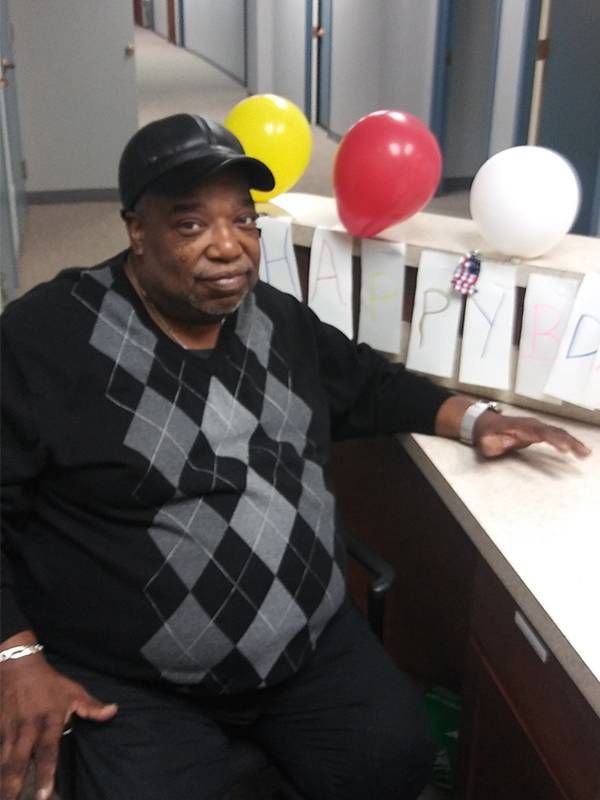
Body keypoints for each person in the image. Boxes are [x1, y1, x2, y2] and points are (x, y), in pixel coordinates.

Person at [0, 114, 590, 800]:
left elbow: (366, 382)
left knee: (395, 762)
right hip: (133, 678)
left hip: (306, 647)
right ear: (137, 229)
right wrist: (15, 654)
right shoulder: (47, 338)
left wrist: (478, 418)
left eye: (244, 221)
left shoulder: (276, 319)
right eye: (191, 225)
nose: (230, 248)